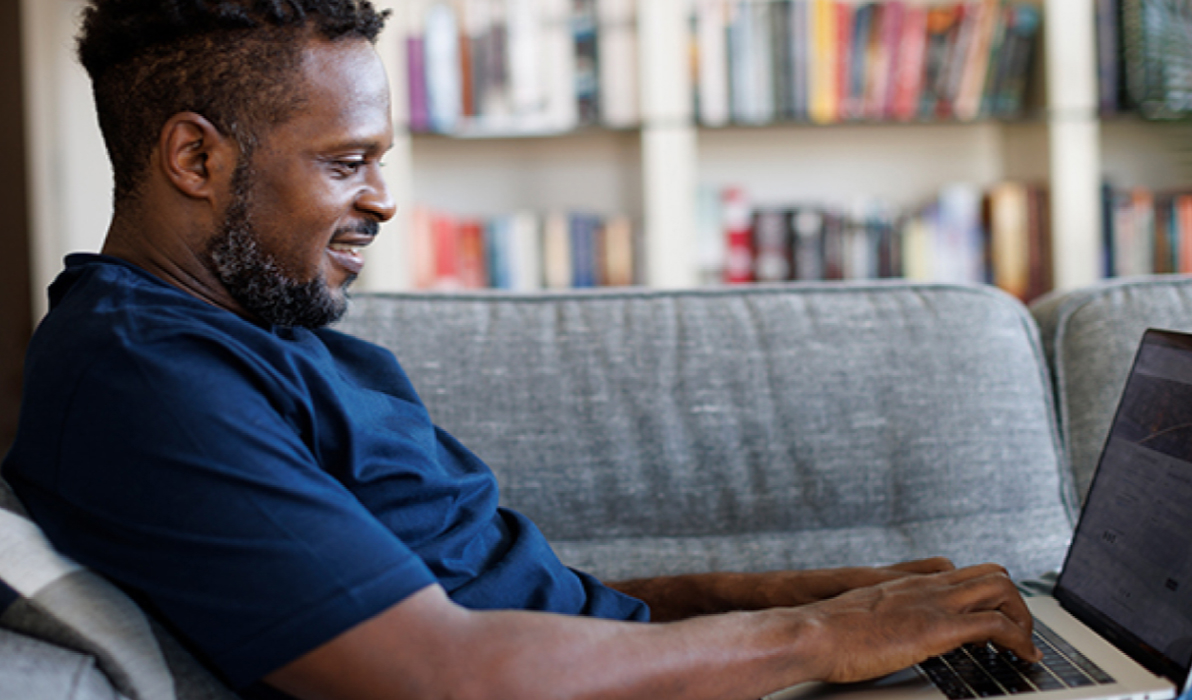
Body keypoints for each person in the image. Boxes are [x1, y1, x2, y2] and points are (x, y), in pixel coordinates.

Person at [2, 1, 1041, 699]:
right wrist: (822, 639)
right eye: (347, 162)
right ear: (195, 157)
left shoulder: (254, 328)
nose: (384, 199)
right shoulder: (144, 380)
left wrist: (796, 598)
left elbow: (505, 598)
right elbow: (442, 671)